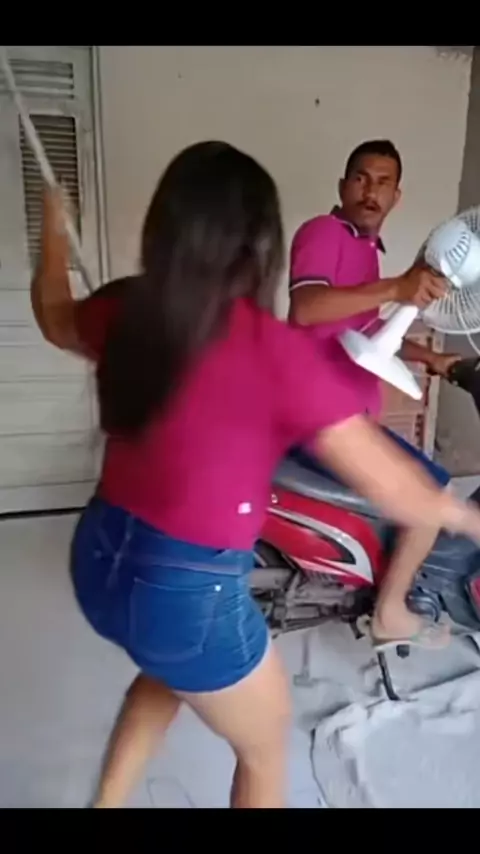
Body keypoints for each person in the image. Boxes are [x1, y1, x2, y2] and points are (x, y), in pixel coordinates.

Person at [32, 142, 480, 810]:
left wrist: (52, 232)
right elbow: (397, 490)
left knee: (169, 671)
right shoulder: (269, 348)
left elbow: (54, 316)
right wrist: (466, 517)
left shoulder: (127, 306)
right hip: (186, 590)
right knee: (264, 747)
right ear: (263, 247)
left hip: (99, 557)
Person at [288, 138, 461, 650]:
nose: (371, 191)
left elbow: (365, 329)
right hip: (319, 419)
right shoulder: (324, 233)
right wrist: (395, 288)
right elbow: (308, 307)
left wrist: (433, 359)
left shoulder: (366, 250)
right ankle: (389, 613)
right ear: (343, 186)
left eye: (383, 182)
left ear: (396, 196)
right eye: (361, 179)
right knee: (432, 496)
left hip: (346, 417)